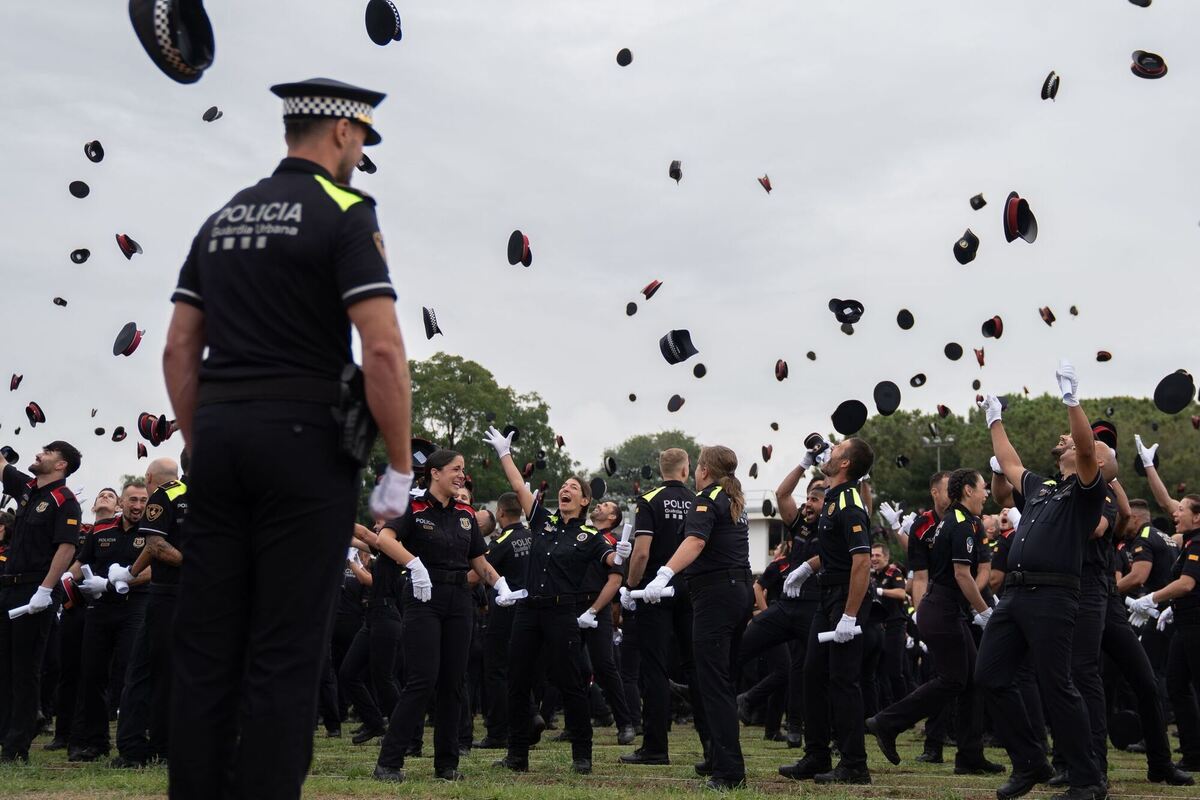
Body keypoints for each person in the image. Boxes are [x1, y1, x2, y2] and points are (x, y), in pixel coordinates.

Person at [162, 77, 414, 800]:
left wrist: (201, 440)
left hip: (219, 436)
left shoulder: (222, 217)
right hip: (303, 444)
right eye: (361, 141)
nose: (360, 154)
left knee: (207, 645)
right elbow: (385, 350)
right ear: (340, 132)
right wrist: (396, 466)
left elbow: (179, 352)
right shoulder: (344, 212)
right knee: (285, 650)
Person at [974, 365, 1108, 800]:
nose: (1067, 441)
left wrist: (1073, 402)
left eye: (1076, 441)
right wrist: (995, 418)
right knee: (990, 676)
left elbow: (1087, 451)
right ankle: (1031, 761)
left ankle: (1088, 779)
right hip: (1015, 593)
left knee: (1057, 687)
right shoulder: (1043, 488)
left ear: (1098, 461)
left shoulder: (1087, 489)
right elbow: (1010, 462)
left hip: (1054, 595)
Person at [483, 426, 629, 777]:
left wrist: (620, 555)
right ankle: (517, 754)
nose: (565, 488)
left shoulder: (590, 535)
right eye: (563, 485)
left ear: (584, 502)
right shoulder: (543, 521)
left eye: (573, 488)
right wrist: (505, 454)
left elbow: (609, 561)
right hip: (528, 611)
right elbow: (519, 486)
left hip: (563, 612)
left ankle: (582, 753)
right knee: (517, 681)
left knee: (570, 683)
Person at [372, 449, 511, 783]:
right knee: (422, 679)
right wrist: (413, 564)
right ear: (435, 473)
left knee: (453, 683)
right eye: (455, 469)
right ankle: (389, 762)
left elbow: (479, 560)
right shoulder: (413, 506)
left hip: (459, 599)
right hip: (423, 597)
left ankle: (447, 765)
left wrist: (501, 585)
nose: (462, 475)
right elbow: (383, 539)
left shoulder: (465, 513)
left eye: (463, 469)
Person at [867, 468, 1003, 775]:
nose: (986, 494)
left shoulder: (959, 521)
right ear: (967, 490)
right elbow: (957, 575)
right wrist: (983, 610)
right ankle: (887, 722)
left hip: (945, 607)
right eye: (982, 488)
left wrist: (973, 606)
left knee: (971, 680)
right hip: (942, 607)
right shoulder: (960, 523)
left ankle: (969, 755)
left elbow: (975, 571)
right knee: (954, 679)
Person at [641, 445, 752, 790]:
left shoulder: (706, 499)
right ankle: (720, 759)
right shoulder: (733, 499)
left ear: (703, 470)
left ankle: (729, 773)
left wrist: (664, 573)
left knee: (713, 685)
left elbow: (695, 541)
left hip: (716, 595)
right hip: (739, 590)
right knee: (722, 682)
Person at [778, 437, 875, 785]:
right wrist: (807, 568)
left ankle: (854, 764)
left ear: (846, 463)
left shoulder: (849, 502)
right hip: (828, 593)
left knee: (843, 680)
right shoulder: (832, 498)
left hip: (848, 596)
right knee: (812, 673)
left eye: (837, 449)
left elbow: (861, 561)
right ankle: (817, 754)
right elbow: (837, 553)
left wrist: (850, 615)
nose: (829, 451)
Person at [0, 441, 83, 763]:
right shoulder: (27, 488)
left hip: (35, 592)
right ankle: (8, 730)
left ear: (61, 465)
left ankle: (17, 746)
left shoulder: (66, 501)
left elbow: (66, 548)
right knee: (5, 666)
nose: (39, 454)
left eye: (48, 452)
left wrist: (46, 591)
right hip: (9, 588)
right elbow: (3, 466)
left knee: (25, 670)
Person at [620, 447, 703, 768]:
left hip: (654, 592)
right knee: (694, 666)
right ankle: (710, 744)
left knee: (654, 669)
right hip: (690, 590)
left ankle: (656, 746)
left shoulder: (650, 499)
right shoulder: (699, 500)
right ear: (686, 470)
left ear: (661, 469)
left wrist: (630, 586)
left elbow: (641, 552)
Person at [112, 458, 183, 767]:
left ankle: (132, 750)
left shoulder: (165, 494)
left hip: (167, 596)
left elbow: (155, 544)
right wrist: (131, 572)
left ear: (150, 477)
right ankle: (166, 746)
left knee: (141, 672)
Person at [1127, 494, 1200, 773]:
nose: (1175, 513)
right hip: (1184, 620)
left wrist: (1153, 599)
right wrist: (1172, 607)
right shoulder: (1187, 541)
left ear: (1197, 516)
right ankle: (1194, 753)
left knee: (1187, 687)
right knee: (1177, 686)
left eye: (1181, 509)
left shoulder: (1198, 542)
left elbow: (1186, 583)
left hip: (1195, 623)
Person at [44, 487, 117, 752]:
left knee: (92, 672)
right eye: (102, 495)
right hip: (72, 606)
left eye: (111, 496)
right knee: (68, 670)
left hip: (100, 605)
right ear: (94, 504)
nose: (105, 498)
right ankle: (62, 733)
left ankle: (82, 734)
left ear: (118, 506)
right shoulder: (81, 529)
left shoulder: (119, 530)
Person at [474, 492, 532, 749]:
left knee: (496, 670)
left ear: (500, 513)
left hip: (505, 609)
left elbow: (478, 574)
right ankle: (530, 717)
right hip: (530, 610)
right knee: (521, 668)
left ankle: (498, 731)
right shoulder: (533, 537)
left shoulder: (501, 542)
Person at [341, 522, 403, 747]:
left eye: (381, 522)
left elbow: (363, 534)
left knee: (383, 678)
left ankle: (402, 732)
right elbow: (357, 540)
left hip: (387, 615)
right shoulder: (380, 547)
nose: (376, 525)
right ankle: (375, 722)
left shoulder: (396, 546)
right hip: (373, 617)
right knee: (348, 673)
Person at [581, 499, 635, 745]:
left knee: (605, 666)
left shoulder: (613, 542)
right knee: (574, 666)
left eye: (605, 506)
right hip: (573, 606)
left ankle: (625, 724)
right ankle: (576, 725)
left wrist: (594, 610)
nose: (599, 506)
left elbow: (614, 581)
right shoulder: (583, 535)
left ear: (613, 518)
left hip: (598, 607)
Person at [870, 543, 909, 710]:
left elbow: (901, 593)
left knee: (895, 671)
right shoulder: (871, 575)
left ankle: (905, 709)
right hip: (877, 627)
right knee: (878, 671)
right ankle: (885, 709)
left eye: (878, 555)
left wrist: (880, 591)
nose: (874, 559)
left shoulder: (894, 573)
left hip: (894, 626)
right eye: (872, 555)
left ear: (886, 557)